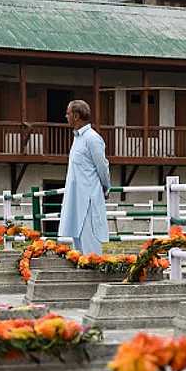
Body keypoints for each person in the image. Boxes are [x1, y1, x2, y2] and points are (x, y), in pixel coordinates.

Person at [58, 100, 111, 256]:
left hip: (88, 197)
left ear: (76, 116)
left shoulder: (92, 138)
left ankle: (94, 275)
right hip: (76, 197)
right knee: (78, 242)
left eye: (68, 114)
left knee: (90, 243)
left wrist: (106, 186)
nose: (66, 117)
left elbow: (102, 166)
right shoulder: (78, 138)